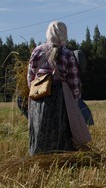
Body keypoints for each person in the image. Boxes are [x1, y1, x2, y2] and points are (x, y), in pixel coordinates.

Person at [27, 21, 91, 155]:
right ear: (64, 34)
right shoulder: (67, 54)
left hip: (39, 95)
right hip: (59, 96)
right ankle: (60, 156)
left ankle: (39, 155)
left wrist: (34, 92)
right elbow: (74, 80)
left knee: (39, 127)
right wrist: (75, 99)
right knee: (61, 128)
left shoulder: (37, 50)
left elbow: (30, 76)